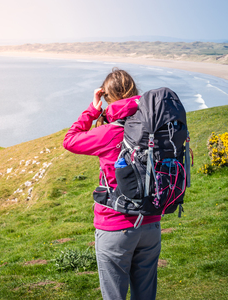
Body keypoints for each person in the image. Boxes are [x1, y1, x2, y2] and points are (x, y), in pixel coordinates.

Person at [63, 68, 162, 300]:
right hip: (151, 223)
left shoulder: (109, 132)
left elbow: (70, 140)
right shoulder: (155, 127)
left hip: (115, 224)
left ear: (108, 97)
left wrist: (93, 109)